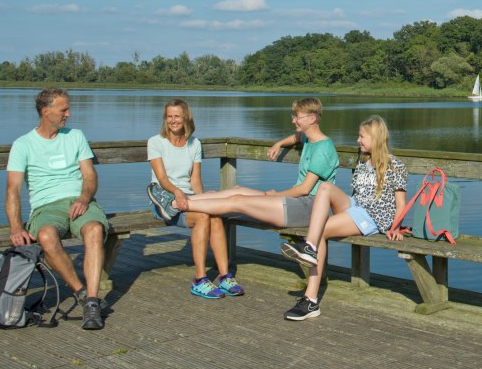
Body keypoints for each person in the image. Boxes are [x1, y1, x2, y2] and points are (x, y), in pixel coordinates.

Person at [279, 115, 408, 321]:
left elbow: (401, 204)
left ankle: (310, 299)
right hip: (356, 207)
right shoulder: (363, 163)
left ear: (376, 138)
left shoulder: (395, 166)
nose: (358, 140)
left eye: (362, 136)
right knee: (324, 187)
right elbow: (356, 198)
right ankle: (309, 248)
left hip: (372, 217)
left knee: (320, 230)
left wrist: (396, 227)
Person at [6, 88, 109, 330]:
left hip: (79, 200)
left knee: (94, 229)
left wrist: (84, 198)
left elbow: (90, 175)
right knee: (45, 236)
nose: (68, 114)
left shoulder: (75, 136)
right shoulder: (23, 144)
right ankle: (82, 293)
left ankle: (93, 301)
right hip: (46, 206)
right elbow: (13, 189)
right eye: (63, 110)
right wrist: (16, 226)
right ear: (46, 112)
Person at [170, 97, 338, 235]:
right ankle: (178, 200)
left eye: (297, 117)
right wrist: (278, 144)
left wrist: (276, 195)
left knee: (238, 201)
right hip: (296, 203)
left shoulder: (323, 149)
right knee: (237, 189)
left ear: (312, 118)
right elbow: (296, 138)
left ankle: (178, 206)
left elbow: (304, 189)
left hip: (308, 209)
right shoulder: (309, 138)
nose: (293, 120)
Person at [145, 99, 244, 299]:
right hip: (165, 201)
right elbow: (162, 179)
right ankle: (199, 280)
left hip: (189, 199)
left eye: (177, 116)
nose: (173, 121)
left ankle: (224, 276)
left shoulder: (194, 143)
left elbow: (195, 179)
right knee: (202, 217)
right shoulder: (155, 142)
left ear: (186, 118)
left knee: (214, 215)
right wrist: (178, 192)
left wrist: (201, 199)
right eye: (169, 116)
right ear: (165, 119)